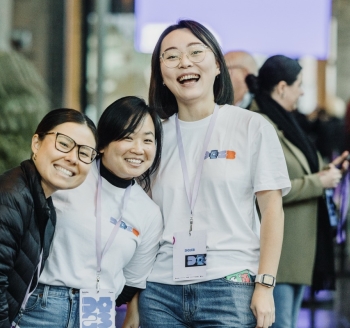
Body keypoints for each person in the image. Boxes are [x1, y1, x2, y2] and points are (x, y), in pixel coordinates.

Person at [138, 20, 291, 328]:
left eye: (196, 51)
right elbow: (144, 219)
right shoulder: (153, 137)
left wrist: (265, 284)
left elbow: (272, 210)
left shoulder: (251, 126)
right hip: (159, 291)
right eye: (171, 56)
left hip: (231, 284)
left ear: (219, 65)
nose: (185, 62)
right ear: (162, 75)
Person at [16, 96, 163, 328]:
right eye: (127, 137)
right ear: (102, 144)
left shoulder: (149, 212)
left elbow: (134, 280)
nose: (138, 149)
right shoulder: (68, 175)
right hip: (42, 306)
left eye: (148, 140)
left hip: (98, 314)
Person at [245, 55, 349, 328]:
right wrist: (319, 182)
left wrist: (328, 170)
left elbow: (301, 170)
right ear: (282, 87)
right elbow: (270, 189)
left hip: (298, 250)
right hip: (279, 252)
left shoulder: (287, 123)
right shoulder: (260, 124)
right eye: (299, 85)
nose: (302, 91)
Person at [0, 108, 98, 328]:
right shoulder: (11, 198)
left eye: (84, 153)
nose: (72, 158)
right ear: (36, 143)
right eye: (64, 144)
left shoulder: (43, 205)